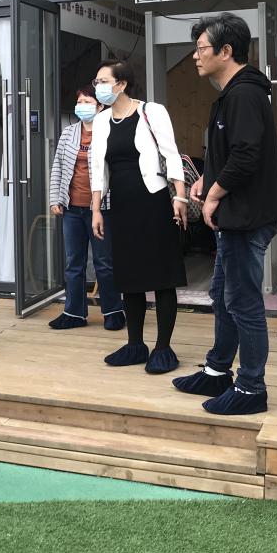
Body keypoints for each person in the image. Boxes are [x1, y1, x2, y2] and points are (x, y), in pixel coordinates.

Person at [172, 13, 277, 415]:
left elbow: (247, 156)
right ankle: (218, 369)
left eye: (201, 48)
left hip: (246, 216)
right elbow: (233, 151)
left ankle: (252, 387)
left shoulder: (244, 95)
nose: (195, 56)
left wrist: (214, 195)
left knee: (242, 301)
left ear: (225, 51)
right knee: (223, 294)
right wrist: (207, 178)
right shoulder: (232, 93)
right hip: (238, 214)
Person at [88, 61, 188, 373]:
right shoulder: (101, 120)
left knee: (161, 276)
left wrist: (180, 196)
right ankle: (135, 344)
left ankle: (163, 348)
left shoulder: (151, 111)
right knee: (129, 277)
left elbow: (171, 153)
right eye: (96, 81)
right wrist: (95, 209)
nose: (98, 87)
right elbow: (97, 169)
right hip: (121, 206)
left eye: (103, 81)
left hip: (154, 201)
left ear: (121, 84)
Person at [47, 86, 125, 331]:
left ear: (100, 106)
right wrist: (55, 199)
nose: (82, 106)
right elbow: (58, 167)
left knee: (104, 262)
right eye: (79, 102)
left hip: (101, 209)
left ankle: (113, 311)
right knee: (74, 263)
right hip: (72, 208)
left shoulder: (110, 131)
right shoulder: (68, 133)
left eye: (88, 102)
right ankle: (74, 313)